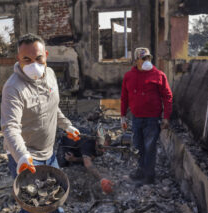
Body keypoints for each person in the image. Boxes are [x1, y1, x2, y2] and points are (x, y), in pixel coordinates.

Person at [1, 33, 80, 213]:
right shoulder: (13, 88)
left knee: (56, 199)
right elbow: (10, 127)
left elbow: (52, 106)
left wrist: (67, 126)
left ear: (46, 55)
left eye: (38, 58)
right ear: (18, 59)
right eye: (26, 60)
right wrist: (22, 156)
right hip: (27, 158)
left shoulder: (50, 75)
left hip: (50, 154)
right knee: (33, 209)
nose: (33, 64)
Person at [120, 47, 173, 185]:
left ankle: (149, 176)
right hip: (136, 118)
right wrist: (123, 116)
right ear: (136, 60)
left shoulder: (159, 75)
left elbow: (167, 96)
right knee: (138, 146)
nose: (147, 61)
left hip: (152, 118)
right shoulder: (129, 76)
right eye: (143, 58)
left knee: (150, 146)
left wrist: (166, 116)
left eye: (148, 58)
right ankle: (140, 171)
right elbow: (124, 97)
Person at [56, 127, 115, 194]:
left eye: (105, 148)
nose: (104, 151)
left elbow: (91, 158)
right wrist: (102, 179)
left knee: (83, 162)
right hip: (66, 142)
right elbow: (88, 164)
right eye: (102, 147)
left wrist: (75, 159)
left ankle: (77, 156)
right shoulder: (88, 143)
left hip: (80, 144)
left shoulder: (100, 147)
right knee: (63, 163)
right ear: (96, 142)